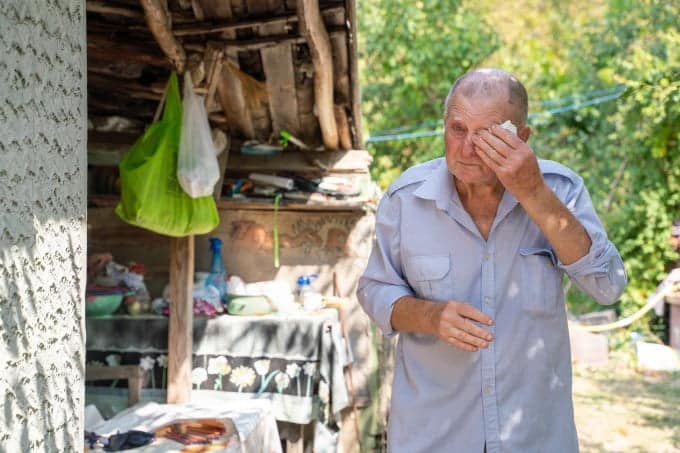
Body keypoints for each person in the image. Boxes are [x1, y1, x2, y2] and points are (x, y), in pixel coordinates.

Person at [357, 68, 627, 453]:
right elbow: (374, 289)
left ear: (522, 138)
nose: (467, 149)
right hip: (432, 435)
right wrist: (430, 316)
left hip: (534, 435)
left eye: (487, 135)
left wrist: (533, 191)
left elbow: (607, 286)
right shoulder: (405, 199)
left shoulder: (561, 189)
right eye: (458, 129)